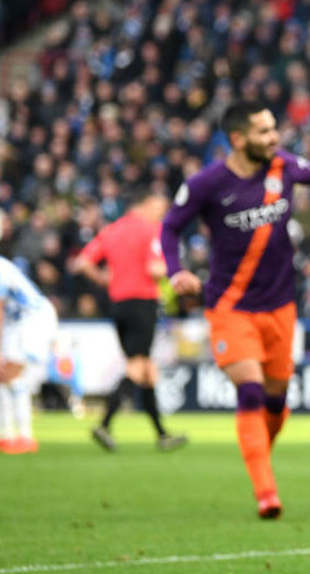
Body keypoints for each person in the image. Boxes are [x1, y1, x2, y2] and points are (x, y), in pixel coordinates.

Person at [161, 101, 310, 519]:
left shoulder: (283, 167)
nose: (274, 138)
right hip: (230, 308)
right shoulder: (208, 184)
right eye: (264, 132)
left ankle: (258, 455)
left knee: (275, 402)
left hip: (279, 307)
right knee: (250, 390)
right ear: (238, 139)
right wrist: (176, 270)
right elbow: (169, 227)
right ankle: (266, 492)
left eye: (274, 129)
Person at [74, 192, 187, 452]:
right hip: (142, 303)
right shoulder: (152, 230)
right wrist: (176, 270)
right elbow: (154, 269)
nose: (163, 214)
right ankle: (104, 423)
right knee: (137, 365)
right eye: (160, 208)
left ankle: (162, 434)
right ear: (146, 205)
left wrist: (105, 280)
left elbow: (82, 262)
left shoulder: (111, 230)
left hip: (118, 305)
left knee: (147, 370)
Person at [0, 252, 59, 455]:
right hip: (17, 323)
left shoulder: (0, 268)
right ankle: (6, 435)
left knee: (12, 374)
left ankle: (25, 436)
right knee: (3, 377)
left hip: (32, 319)